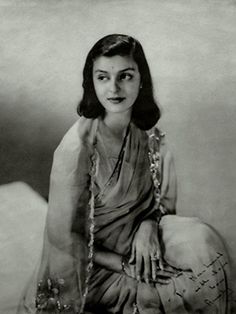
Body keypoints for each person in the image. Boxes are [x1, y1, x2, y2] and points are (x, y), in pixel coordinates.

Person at [18, 34, 231, 314]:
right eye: (103, 77)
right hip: (93, 265)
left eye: (125, 76)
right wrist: (124, 265)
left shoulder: (151, 137)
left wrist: (148, 225)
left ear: (141, 79)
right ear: (91, 83)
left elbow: (163, 204)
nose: (114, 88)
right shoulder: (77, 148)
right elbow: (65, 240)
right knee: (177, 290)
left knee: (204, 244)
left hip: (140, 244)